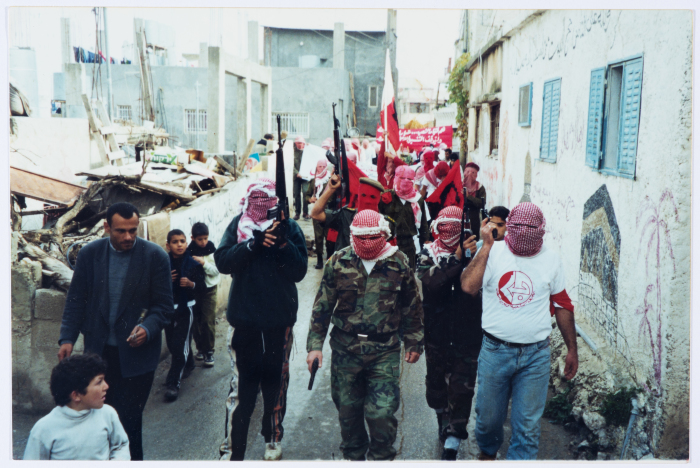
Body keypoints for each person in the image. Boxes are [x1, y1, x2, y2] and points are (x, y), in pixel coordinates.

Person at [460, 202, 578, 460]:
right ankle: (488, 454)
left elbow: (562, 303)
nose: (524, 236)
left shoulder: (551, 259)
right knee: (488, 421)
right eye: (519, 230)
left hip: (535, 356)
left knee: (527, 428)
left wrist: (572, 349)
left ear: (542, 231)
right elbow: (469, 286)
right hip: (495, 351)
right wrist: (486, 247)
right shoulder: (492, 252)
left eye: (530, 231)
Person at [306, 210, 424, 461]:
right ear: (352, 236)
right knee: (348, 414)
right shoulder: (338, 262)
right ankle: (354, 458)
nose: (368, 243)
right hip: (345, 350)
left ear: (384, 235)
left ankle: (381, 459)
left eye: (374, 237)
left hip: (384, 350)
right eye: (362, 238)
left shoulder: (398, 262)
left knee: (381, 413)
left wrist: (414, 341)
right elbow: (322, 307)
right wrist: (314, 346)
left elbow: (412, 305)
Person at [58, 202, 172, 461]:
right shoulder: (89, 254)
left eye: (133, 230)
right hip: (98, 355)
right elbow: (76, 299)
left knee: (128, 425)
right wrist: (67, 338)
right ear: (107, 227)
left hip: (137, 359)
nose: (128, 237)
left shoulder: (155, 257)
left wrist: (147, 327)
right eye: (121, 231)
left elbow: (164, 307)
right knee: (98, 422)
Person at [216, 178, 308, 461]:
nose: (260, 207)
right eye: (255, 200)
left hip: (278, 321)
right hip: (244, 321)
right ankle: (232, 450)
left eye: (265, 201)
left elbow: (299, 270)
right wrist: (253, 245)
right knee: (241, 389)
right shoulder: (239, 226)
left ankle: (272, 436)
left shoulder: (289, 227)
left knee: (275, 384)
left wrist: (281, 246)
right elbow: (223, 261)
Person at [416, 206, 479, 461]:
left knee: (462, 388)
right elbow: (432, 282)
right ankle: (442, 418)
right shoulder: (427, 253)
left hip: (466, 332)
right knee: (436, 386)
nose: (450, 233)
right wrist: (456, 257)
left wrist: (471, 256)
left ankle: (454, 437)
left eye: (456, 228)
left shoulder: (474, 255)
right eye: (446, 227)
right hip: (436, 333)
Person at [23, 354, 130, 460]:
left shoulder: (108, 414)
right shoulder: (43, 429)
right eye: (99, 382)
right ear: (76, 395)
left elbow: (121, 445)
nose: (106, 386)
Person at [163, 229, 205, 402]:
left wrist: (191, 283)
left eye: (182, 241)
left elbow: (202, 286)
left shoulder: (193, 264)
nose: (179, 245)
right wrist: (166, 279)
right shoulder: (163, 263)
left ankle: (174, 384)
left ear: (186, 243)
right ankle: (189, 363)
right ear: (168, 245)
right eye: (175, 242)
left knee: (180, 345)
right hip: (167, 308)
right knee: (172, 344)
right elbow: (152, 283)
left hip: (186, 307)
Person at [310, 174, 388, 252]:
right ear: (359, 196)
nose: (367, 200)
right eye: (363, 195)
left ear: (379, 199)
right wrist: (331, 189)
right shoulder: (345, 215)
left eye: (372, 197)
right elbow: (316, 214)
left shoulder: (386, 224)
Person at [379, 165, 429, 269]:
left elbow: (424, 225)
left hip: (409, 246)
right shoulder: (386, 197)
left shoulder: (418, 200)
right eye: (402, 178)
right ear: (396, 178)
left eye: (409, 179)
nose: (405, 181)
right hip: (389, 245)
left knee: (408, 277)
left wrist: (426, 243)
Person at [188, 222, 221, 367]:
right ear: (193, 238)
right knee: (196, 321)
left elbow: (216, 271)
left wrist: (203, 263)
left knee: (208, 321)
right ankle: (200, 348)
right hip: (194, 290)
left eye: (205, 238)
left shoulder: (211, 250)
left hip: (209, 290)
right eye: (200, 239)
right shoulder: (189, 252)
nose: (203, 242)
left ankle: (209, 351)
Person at [306, 159, 334, 269]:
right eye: (319, 166)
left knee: (329, 236)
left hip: (328, 212)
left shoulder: (330, 180)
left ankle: (329, 259)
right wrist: (310, 199)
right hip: (316, 211)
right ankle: (319, 260)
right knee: (318, 236)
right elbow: (307, 196)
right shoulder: (313, 181)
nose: (321, 168)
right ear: (316, 167)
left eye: (323, 166)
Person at [463, 162, 487, 240]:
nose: (469, 175)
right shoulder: (459, 185)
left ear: (476, 175)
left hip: (474, 216)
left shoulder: (480, 187)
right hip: (460, 216)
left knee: (473, 238)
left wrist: (468, 197)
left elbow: (482, 203)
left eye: (473, 173)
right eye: (467, 172)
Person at [292, 136, 310, 220]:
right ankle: (297, 212)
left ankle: (305, 212)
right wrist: (296, 173)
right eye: (298, 143)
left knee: (306, 192)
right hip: (296, 176)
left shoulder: (307, 150)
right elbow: (290, 164)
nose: (301, 145)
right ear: (295, 143)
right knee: (296, 194)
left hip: (305, 176)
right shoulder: (292, 151)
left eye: (302, 143)